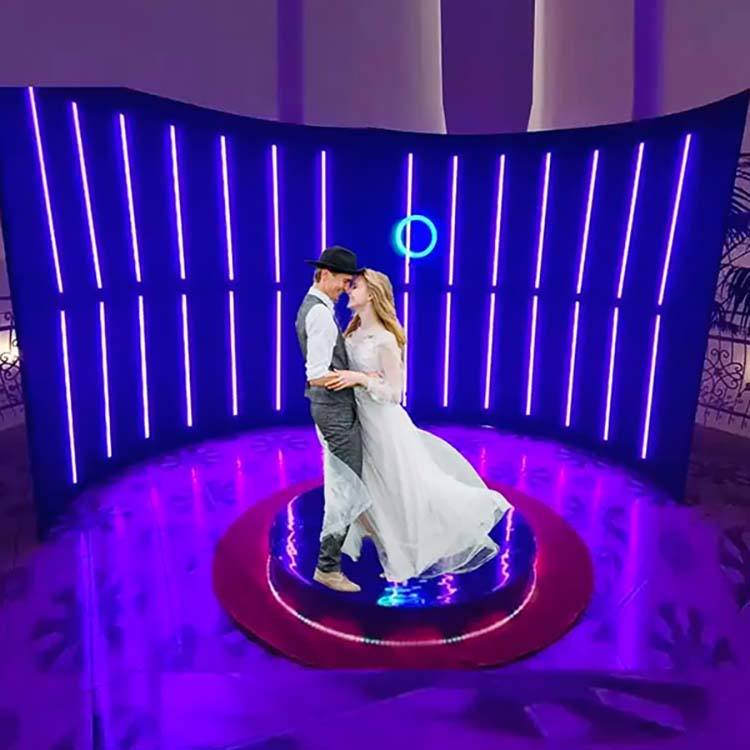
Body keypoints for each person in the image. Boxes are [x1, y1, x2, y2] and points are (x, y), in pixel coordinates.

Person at [325, 269, 512, 583]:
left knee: (394, 485)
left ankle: (411, 541)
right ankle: (379, 534)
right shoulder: (352, 331)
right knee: (368, 481)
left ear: (372, 294)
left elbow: (395, 394)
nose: (348, 290)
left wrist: (360, 379)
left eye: (355, 286)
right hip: (359, 420)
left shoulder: (385, 339)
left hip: (382, 423)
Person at [294, 246, 372, 593]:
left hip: (330, 409)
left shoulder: (315, 307)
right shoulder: (321, 315)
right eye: (343, 281)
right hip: (334, 411)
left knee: (345, 484)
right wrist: (360, 377)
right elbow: (315, 374)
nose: (345, 288)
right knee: (347, 488)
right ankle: (327, 567)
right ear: (325, 275)